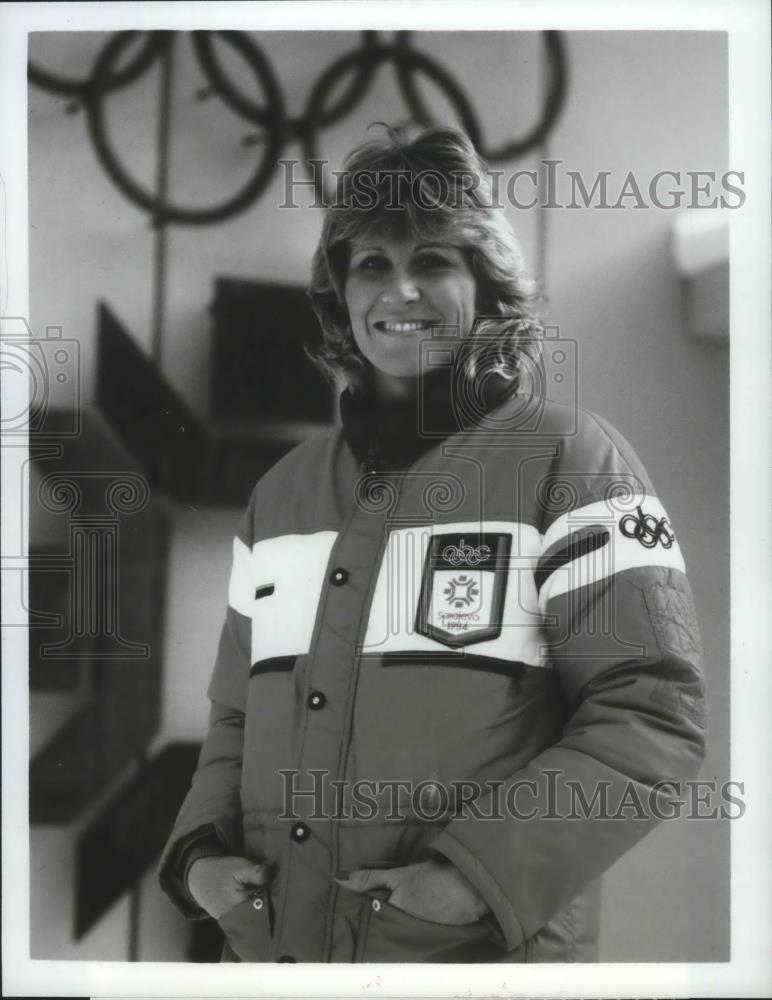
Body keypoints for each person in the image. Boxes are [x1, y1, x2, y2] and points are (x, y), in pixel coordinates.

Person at [158, 123, 706, 963]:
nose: (400, 291)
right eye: (372, 263)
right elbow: (235, 713)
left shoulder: (574, 461)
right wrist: (198, 856)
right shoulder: (284, 493)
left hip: (472, 967)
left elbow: (651, 715)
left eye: (434, 262)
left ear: (485, 284)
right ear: (339, 292)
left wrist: (472, 881)